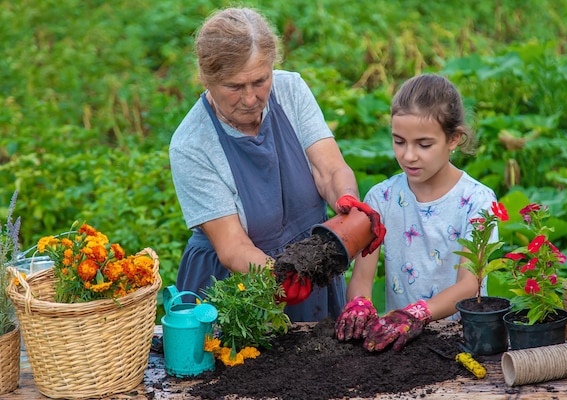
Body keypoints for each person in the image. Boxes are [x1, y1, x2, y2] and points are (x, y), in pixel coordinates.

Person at [169, 7, 383, 322]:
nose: (251, 97)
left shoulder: (290, 91)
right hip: (239, 285)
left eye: (260, 80)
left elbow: (330, 170)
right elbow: (232, 246)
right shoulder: (191, 145)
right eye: (234, 87)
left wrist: (347, 202)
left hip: (309, 267)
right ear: (206, 78)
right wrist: (279, 275)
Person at [335, 74, 498, 351]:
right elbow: (362, 278)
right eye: (399, 141)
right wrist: (359, 303)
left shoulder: (477, 201)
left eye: (424, 145)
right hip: (400, 342)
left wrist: (419, 312)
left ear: (454, 139)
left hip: (461, 341)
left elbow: (470, 285)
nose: (409, 155)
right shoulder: (382, 198)